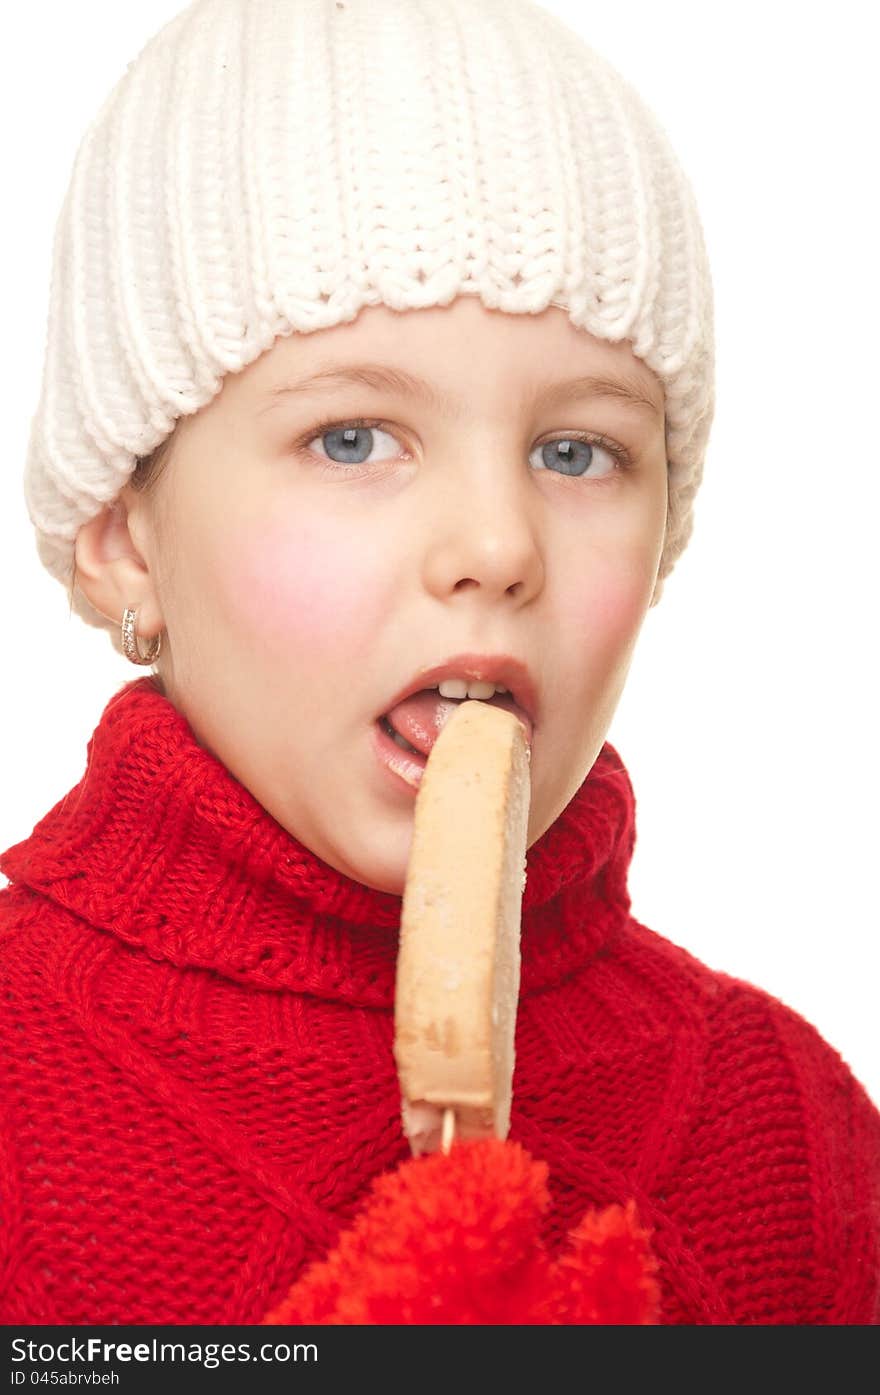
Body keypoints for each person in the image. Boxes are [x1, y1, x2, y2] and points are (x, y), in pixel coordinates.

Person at [1, 0, 877, 1327]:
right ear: (123, 539)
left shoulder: (792, 1132)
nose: (494, 543)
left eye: (578, 451)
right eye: (354, 438)